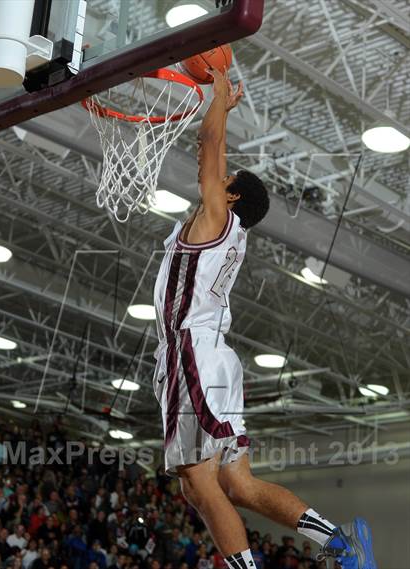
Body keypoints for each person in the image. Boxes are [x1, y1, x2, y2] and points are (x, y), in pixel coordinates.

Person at [152, 68, 377, 569]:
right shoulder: (228, 228)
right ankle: (341, 544)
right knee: (238, 483)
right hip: (215, 359)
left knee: (197, 481)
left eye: (222, 180)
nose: (210, 176)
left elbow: (208, 147)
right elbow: (217, 156)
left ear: (229, 197)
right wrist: (225, 111)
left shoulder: (215, 218)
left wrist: (217, 102)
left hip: (192, 350)